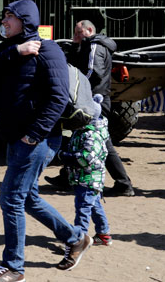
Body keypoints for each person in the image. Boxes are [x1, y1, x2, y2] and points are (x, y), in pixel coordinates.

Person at [0, 0, 91, 282]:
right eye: (3, 16)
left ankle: (14, 267)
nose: (4, 21)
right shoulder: (8, 48)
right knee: (27, 197)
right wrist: (15, 51)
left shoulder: (49, 50)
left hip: (37, 140)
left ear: (25, 21)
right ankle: (76, 238)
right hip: (15, 137)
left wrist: (35, 134)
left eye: (9, 17)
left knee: (11, 198)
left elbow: (58, 97)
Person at [46, 20, 135, 197]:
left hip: (94, 102)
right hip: (94, 100)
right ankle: (67, 177)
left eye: (78, 33)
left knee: (102, 143)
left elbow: (93, 72)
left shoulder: (95, 47)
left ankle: (123, 183)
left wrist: (76, 84)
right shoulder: (93, 46)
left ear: (89, 30)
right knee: (79, 138)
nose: (75, 37)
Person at [59, 94, 113, 246]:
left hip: (88, 179)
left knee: (83, 209)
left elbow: (86, 158)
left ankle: (78, 240)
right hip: (84, 178)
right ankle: (104, 234)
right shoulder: (82, 131)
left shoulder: (92, 135)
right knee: (94, 205)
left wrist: (66, 156)